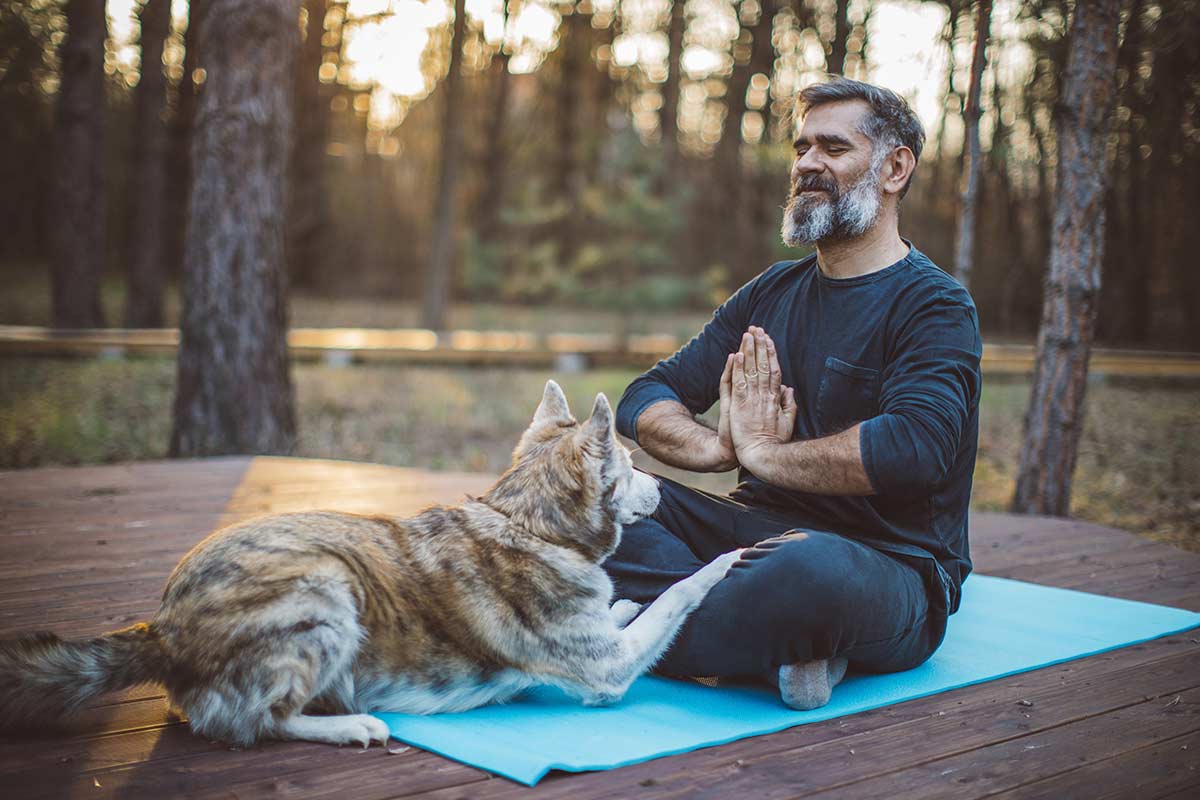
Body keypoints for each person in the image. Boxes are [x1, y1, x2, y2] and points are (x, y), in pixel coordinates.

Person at [604, 77, 983, 709]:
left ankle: (618, 630)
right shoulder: (771, 291)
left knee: (808, 572)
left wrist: (766, 457)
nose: (807, 163)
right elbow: (646, 395)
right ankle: (762, 654)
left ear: (894, 168)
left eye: (832, 148)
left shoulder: (936, 305)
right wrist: (714, 448)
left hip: (885, 565)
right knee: (595, 500)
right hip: (749, 538)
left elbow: (915, 448)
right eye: (801, 147)